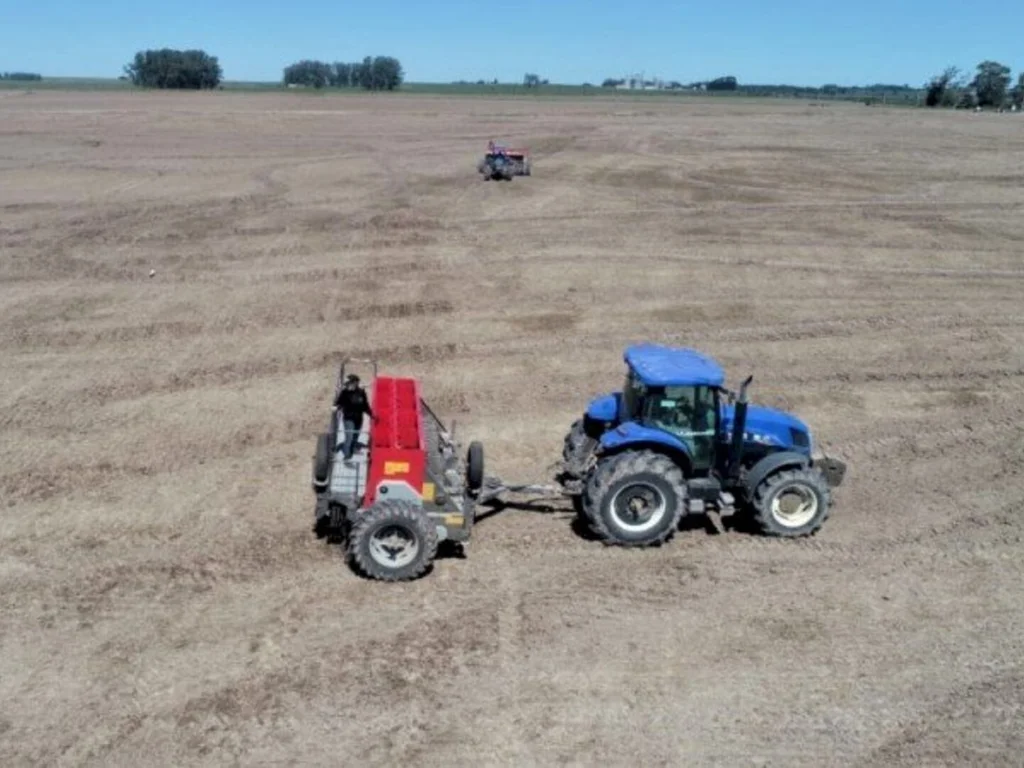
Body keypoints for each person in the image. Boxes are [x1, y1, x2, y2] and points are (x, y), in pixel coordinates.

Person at [333, 374, 374, 461]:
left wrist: (371, 415)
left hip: (358, 418)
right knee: (349, 436)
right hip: (348, 418)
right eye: (347, 384)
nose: (347, 385)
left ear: (355, 383)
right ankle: (347, 455)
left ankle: (353, 449)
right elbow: (339, 403)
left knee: (355, 436)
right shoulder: (345, 393)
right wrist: (336, 407)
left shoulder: (361, 392)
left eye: (349, 383)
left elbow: (365, 406)